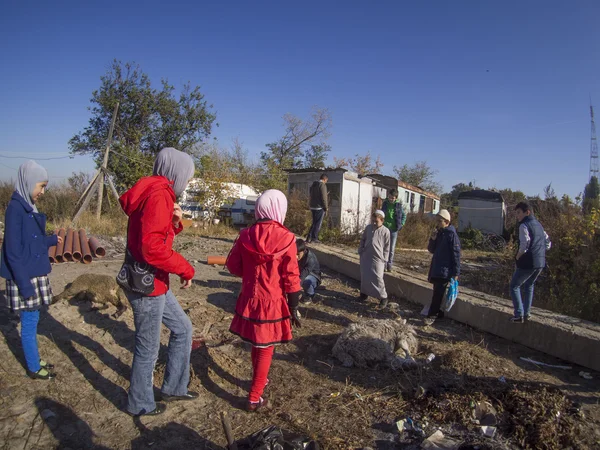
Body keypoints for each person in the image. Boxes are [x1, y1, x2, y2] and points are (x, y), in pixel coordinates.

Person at [119, 147, 197, 417]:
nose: (187, 183)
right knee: (148, 348)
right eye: (187, 177)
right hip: (147, 286)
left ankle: (174, 387)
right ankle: (140, 403)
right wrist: (185, 268)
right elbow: (152, 248)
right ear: (177, 173)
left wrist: (174, 223)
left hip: (154, 283)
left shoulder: (155, 191)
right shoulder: (159, 194)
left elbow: (154, 235)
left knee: (184, 329)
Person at [226, 190, 302, 412]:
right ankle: (254, 397)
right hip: (272, 302)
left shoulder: (245, 235)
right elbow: (291, 276)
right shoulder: (287, 238)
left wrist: (250, 272)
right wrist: (294, 305)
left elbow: (232, 266)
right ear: (280, 208)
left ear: (259, 208)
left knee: (256, 342)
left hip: (250, 299)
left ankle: (260, 379)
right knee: (266, 346)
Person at [1, 161, 62, 380]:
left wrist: (52, 240)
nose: (43, 191)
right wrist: (25, 286)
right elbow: (13, 253)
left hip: (32, 273)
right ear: (28, 182)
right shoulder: (15, 210)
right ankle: (34, 368)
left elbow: (32, 242)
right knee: (29, 323)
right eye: (41, 186)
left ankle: (34, 359)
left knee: (33, 319)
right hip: (25, 276)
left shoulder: (27, 206)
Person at [510, 202, 551, 323]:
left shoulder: (524, 225)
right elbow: (548, 242)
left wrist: (518, 256)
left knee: (514, 286)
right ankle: (527, 313)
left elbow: (525, 244)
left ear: (527, 212)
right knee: (529, 285)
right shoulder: (539, 225)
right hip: (540, 262)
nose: (517, 216)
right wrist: (540, 251)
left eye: (519, 213)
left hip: (528, 262)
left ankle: (519, 314)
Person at [425, 209, 461, 325]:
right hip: (437, 267)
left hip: (445, 269)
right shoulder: (439, 233)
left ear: (446, 221)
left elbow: (456, 254)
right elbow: (431, 249)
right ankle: (438, 313)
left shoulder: (451, 235)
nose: (437, 223)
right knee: (437, 292)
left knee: (438, 294)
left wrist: (456, 272)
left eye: (439, 221)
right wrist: (432, 239)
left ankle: (432, 315)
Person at [358, 210, 391, 308]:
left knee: (377, 277)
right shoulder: (368, 228)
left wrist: (384, 259)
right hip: (366, 255)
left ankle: (383, 297)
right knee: (365, 275)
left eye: (376, 221)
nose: (374, 223)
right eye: (373, 221)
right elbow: (363, 239)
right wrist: (360, 249)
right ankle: (364, 294)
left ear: (382, 220)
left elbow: (387, 247)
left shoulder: (386, 231)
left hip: (378, 258)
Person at [381, 189, 406, 272]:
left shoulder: (399, 206)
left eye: (393, 198)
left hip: (394, 230)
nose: (391, 199)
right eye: (390, 197)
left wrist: (401, 224)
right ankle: (384, 264)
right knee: (384, 247)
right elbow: (381, 214)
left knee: (391, 248)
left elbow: (403, 216)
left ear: (396, 198)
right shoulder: (385, 204)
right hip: (385, 228)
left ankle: (389, 265)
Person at [296, 238, 322, 304]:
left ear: (304, 251)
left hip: (313, 276)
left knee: (306, 281)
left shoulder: (310, 259)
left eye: (298, 254)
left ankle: (311, 295)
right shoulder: (297, 255)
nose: (296, 257)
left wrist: (295, 290)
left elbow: (304, 274)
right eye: (295, 254)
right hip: (301, 273)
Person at [307, 174, 328, 243]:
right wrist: (326, 207)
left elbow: (311, 194)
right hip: (319, 207)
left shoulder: (313, 185)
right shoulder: (322, 185)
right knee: (318, 223)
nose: (326, 182)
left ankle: (309, 237)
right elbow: (324, 197)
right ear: (325, 179)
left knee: (314, 222)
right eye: (326, 181)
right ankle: (314, 238)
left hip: (312, 206)